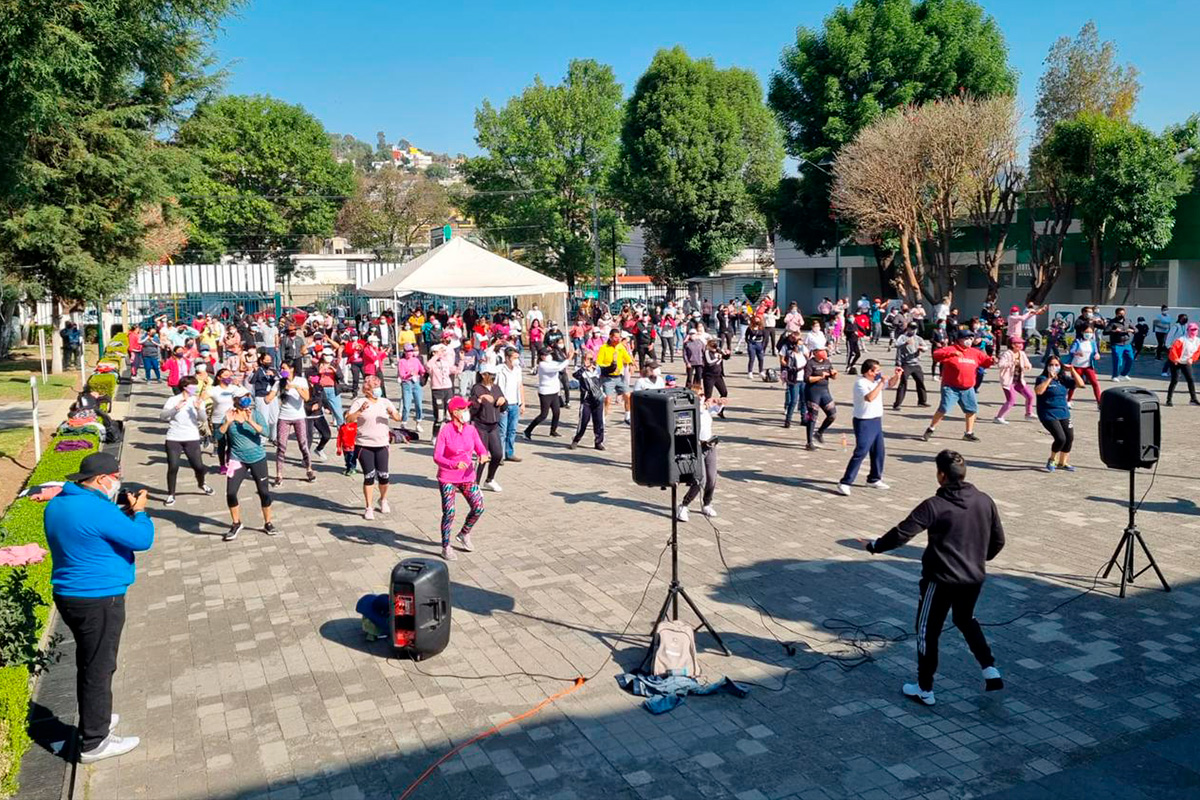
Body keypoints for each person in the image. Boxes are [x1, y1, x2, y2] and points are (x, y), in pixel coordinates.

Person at [861, 450, 1004, 706]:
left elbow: (902, 533)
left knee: (927, 631)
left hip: (940, 581)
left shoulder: (935, 505)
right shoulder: (984, 500)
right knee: (965, 619)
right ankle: (989, 668)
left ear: (941, 475)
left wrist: (875, 545)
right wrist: (977, 559)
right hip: (973, 578)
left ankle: (924, 688)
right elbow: (998, 541)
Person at [45, 451, 153, 763]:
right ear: (102, 479)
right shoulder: (96, 509)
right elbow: (141, 539)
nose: (117, 482)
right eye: (115, 477)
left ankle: (97, 716)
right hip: (99, 598)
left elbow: (89, 531)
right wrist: (141, 512)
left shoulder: (60, 503)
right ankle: (95, 741)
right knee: (99, 667)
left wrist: (120, 511)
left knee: (90, 660)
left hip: (70, 595)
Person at [431, 396, 487, 561]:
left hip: (468, 476)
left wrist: (483, 455)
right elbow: (437, 457)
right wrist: (453, 464)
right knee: (449, 512)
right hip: (448, 477)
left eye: (467, 409)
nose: (467, 412)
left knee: (478, 507)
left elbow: (480, 447)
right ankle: (446, 546)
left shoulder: (471, 429)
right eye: (463, 409)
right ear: (455, 413)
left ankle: (464, 533)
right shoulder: (446, 431)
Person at [837, 359, 903, 496]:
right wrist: (880, 383)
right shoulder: (860, 383)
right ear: (869, 372)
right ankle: (845, 482)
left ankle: (874, 478)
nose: (879, 373)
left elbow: (890, 384)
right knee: (861, 451)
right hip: (864, 421)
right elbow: (870, 398)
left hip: (876, 420)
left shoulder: (874, 382)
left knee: (879, 451)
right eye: (877, 370)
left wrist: (897, 376)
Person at [219, 394, 275, 539]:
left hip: (258, 458)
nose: (247, 408)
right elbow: (217, 436)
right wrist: (227, 423)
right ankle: (236, 523)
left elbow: (266, 433)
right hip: (237, 460)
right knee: (231, 493)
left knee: (264, 493)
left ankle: (268, 523)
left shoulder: (255, 414)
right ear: (236, 406)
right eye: (244, 406)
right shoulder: (229, 416)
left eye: (248, 405)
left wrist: (250, 421)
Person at [347, 376, 402, 519]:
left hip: (382, 444)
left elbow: (398, 418)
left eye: (378, 385)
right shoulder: (359, 402)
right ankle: (369, 507)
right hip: (364, 445)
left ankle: (383, 499)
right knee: (369, 475)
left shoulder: (385, 402)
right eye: (374, 386)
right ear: (367, 389)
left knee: (384, 476)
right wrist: (359, 411)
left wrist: (393, 414)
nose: (378, 389)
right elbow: (348, 419)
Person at [923, 331, 993, 443]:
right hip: (951, 387)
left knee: (971, 410)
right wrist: (951, 354)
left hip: (968, 388)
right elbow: (936, 355)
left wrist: (992, 360)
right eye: (966, 338)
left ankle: (968, 433)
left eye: (971, 338)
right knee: (944, 408)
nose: (969, 341)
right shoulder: (951, 349)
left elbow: (985, 362)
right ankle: (931, 428)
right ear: (959, 339)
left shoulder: (975, 352)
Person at [159, 376, 213, 506]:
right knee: (173, 466)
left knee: (199, 467)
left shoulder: (198, 400)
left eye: (196, 386)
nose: (195, 388)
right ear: (184, 387)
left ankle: (202, 483)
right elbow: (162, 416)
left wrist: (199, 408)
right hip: (174, 438)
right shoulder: (173, 400)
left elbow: (203, 419)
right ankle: (171, 494)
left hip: (192, 437)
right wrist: (175, 409)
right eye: (192, 386)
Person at [676, 380, 719, 521]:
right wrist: (704, 406)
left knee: (712, 478)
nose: (702, 397)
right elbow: (696, 414)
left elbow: (717, 409)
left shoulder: (705, 409)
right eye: (699, 395)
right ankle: (684, 504)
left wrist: (719, 403)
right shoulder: (690, 411)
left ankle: (707, 503)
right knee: (700, 479)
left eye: (703, 394)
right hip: (697, 448)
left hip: (710, 445)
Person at [1035, 355, 1085, 471]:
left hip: (1063, 412)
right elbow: (1038, 391)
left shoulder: (1063, 379)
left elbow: (1081, 384)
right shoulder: (1042, 378)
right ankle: (1052, 459)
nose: (1053, 367)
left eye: (1056, 365)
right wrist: (1049, 379)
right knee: (1060, 438)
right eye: (1051, 365)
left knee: (1069, 437)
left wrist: (1072, 370)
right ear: (1047, 366)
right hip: (1048, 412)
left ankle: (1063, 462)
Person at [274, 364, 315, 485]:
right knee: (281, 446)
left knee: (303, 444)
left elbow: (306, 397)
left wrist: (295, 387)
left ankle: (309, 469)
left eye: (284, 368)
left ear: (291, 369)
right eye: (281, 369)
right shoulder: (279, 382)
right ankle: (278, 475)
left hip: (299, 417)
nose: (282, 371)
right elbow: (268, 398)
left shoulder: (301, 381)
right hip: (283, 417)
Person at [469, 365, 506, 491]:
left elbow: (503, 408)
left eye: (494, 375)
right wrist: (480, 400)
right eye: (490, 374)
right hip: (481, 426)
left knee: (497, 454)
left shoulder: (496, 388)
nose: (493, 377)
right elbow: (472, 409)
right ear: (484, 375)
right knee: (482, 455)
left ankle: (490, 479)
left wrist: (503, 400)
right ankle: (475, 483)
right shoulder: (477, 388)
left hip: (494, 425)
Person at [525, 348, 571, 439]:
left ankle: (553, 431)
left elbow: (560, 364)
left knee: (557, 412)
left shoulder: (551, 362)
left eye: (549, 354)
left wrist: (566, 357)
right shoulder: (542, 365)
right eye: (546, 355)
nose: (549, 356)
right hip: (545, 393)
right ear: (541, 356)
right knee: (543, 415)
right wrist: (569, 359)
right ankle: (527, 431)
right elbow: (558, 368)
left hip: (554, 391)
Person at [803, 348, 838, 449]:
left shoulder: (827, 362)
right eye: (822, 351)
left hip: (824, 392)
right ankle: (809, 443)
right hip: (812, 393)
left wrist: (834, 374)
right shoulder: (810, 363)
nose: (825, 353)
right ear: (815, 353)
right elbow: (807, 379)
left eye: (825, 351)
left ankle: (819, 432)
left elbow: (833, 377)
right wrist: (820, 377)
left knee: (832, 415)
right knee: (812, 417)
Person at [993, 339, 1034, 425]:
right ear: (1012, 344)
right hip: (1008, 382)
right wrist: (1012, 363)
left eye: (1021, 343)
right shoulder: (1007, 354)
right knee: (1011, 400)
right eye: (1018, 343)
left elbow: (1028, 364)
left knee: (1030, 396)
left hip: (1019, 381)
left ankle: (1028, 413)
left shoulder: (1022, 354)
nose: (1020, 345)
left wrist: (1028, 366)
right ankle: (999, 417)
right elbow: (1000, 365)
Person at [570, 352, 606, 451]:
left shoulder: (597, 369)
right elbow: (575, 375)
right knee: (583, 422)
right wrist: (584, 367)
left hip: (598, 399)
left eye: (590, 359)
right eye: (586, 358)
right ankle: (576, 439)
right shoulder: (580, 370)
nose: (588, 361)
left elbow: (609, 370)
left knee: (599, 421)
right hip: (586, 400)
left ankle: (598, 442)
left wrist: (614, 362)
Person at [597, 329, 634, 421]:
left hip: (619, 377)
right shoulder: (604, 348)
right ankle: (603, 419)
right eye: (615, 337)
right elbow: (599, 362)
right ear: (610, 336)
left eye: (619, 337)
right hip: (608, 377)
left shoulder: (620, 347)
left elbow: (627, 357)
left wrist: (631, 364)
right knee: (608, 400)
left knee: (628, 396)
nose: (617, 339)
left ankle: (627, 416)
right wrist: (610, 366)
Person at [496, 346, 525, 462]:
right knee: (502, 430)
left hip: (515, 403)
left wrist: (522, 403)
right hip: (503, 404)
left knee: (512, 430)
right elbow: (495, 387)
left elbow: (520, 385)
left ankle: (510, 452)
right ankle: (500, 455)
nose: (516, 360)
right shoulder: (499, 369)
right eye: (514, 358)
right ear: (507, 358)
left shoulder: (518, 369)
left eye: (517, 357)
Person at [892, 323, 929, 409]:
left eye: (914, 328)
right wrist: (905, 343)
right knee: (903, 383)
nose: (913, 330)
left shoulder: (918, 338)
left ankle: (922, 401)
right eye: (911, 328)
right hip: (906, 364)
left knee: (920, 382)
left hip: (916, 364)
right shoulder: (903, 337)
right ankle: (897, 404)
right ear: (907, 328)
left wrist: (922, 348)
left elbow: (926, 347)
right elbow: (896, 345)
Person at [1164, 322, 1200, 406]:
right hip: (1175, 361)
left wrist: (1192, 359)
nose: (1194, 332)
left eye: (1195, 330)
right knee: (1175, 380)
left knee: (1190, 379)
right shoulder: (1181, 339)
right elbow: (1173, 350)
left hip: (1186, 361)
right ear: (1188, 330)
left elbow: (1197, 352)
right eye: (1192, 330)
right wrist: (1175, 358)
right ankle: (1169, 400)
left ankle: (1193, 399)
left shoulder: (1198, 341)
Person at [1066, 326, 1102, 404]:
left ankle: (1099, 402)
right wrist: (1077, 353)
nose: (1088, 334)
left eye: (1090, 332)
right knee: (1073, 384)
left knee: (1095, 383)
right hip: (1077, 366)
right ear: (1082, 332)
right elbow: (1071, 351)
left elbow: (1096, 352)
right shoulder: (1078, 341)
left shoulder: (1092, 342)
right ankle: (1068, 400)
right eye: (1086, 332)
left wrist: (1097, 355)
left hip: (1088, 366)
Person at [779, 332, 807, 430]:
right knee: (794, 400)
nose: (800, 347)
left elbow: (809, 359)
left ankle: (804, 418)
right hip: (794, 379)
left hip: (803, 379)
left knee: (804, 400)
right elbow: (782, 360)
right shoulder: (789, 353)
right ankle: (788, 420)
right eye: (799, 345)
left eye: (801, 345)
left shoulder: (804, 353)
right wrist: (788, 367)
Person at [397, 344, 426, 434]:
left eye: (411, 351)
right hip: (407, 383)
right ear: (404, 352)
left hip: (416, 382)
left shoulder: (416, 360)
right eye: (407, 351)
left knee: (419, 404)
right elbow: (402, 374)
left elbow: (422, 370)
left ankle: (418, 422)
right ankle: (404, 422)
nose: (409, 353)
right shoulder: (401, 361)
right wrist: (409, 374)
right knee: (407, 405)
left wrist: (422, 373)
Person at [1105, 307, 1135, 382]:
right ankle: (1114, 376)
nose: (1122, 315)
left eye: (1123, 313)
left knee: (1130, 359)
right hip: (1117, 343)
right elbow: (1105, 332)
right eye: (1120, 314)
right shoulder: (1112, 322)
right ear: (1116, 314)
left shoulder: (1127, 321)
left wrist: (1132, 330)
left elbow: (1136, 329)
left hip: (1127, 343)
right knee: (1117, 360)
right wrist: (1115, 331)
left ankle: (1123, 374)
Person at [701, 338, 730, 413]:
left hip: (718, 376)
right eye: (713, 347)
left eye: (716, 347)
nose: (715, 349)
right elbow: (709, 363)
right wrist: (718, 358)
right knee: (708, 395)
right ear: (709, 346)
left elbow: (725, 358)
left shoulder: (718, 350)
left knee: (724, 392)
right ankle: (705, 411)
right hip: (709, 376)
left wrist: (727, 354)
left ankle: (720, 409)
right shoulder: (707, 352)